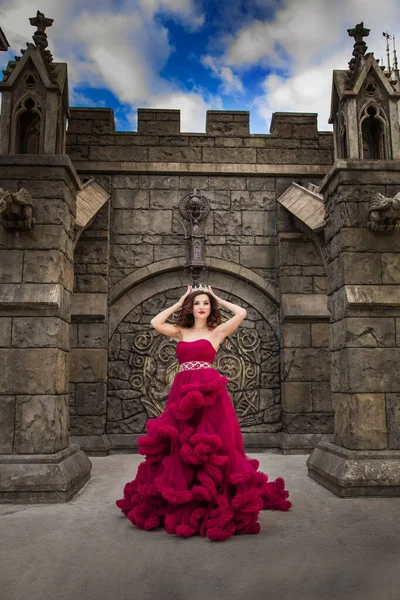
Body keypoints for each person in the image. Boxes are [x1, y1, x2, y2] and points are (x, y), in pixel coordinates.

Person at [116, 284, 291, 541]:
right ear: (191, 307)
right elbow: (155, 322)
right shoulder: (181, 331)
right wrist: (179, 302)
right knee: (181, 440)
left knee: (213, 444)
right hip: (182, 391)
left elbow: (241, 312)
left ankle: (211, 494)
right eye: (197, 303)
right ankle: (184, 490)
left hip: (210, 394)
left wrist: (217, 297)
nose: (201, 307)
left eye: (205, 304)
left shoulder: (217, 331)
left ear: (211, 308)